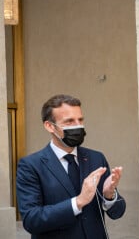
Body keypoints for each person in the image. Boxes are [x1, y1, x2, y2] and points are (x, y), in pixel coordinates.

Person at [16, 94, 126, 239]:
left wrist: (109, 196)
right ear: (49, 126)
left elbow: (117, 213)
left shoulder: (96, 158)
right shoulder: (31, 165)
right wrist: (78, 202)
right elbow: (32, 220)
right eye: (69, 121)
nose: (77, 125)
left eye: (80, 120)